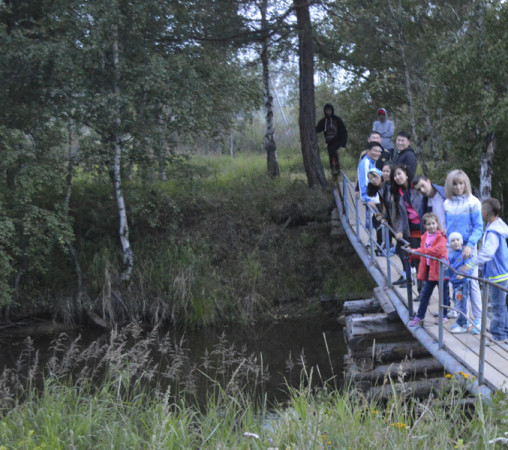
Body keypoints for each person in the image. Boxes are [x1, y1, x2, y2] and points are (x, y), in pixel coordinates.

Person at [462, 198, 508, 344]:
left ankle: (498, 336)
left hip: (497, 275)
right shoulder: (498, 225)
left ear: (486, 212)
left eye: (481, 210)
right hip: (502, 272)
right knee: (501, 305)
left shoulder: (493, 231)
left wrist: (470, 264)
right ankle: (504, 332)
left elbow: (488, 253)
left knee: (497, 307)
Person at [444, 169, 483, 331]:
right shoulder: (447, 203)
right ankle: (462, 320)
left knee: (472, 284)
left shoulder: (473, 202)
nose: (459, 187)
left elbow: (479, 227)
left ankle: (478, 321)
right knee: (457, 286)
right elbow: (447, 228)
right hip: (453, 251)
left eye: (461, 183)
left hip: (469, 250)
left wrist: (469, 245)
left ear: (466, 184)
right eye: (455, 184)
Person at [413, 175, 449, 306]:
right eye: (418, 189)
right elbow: (425, 221)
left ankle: (447, 309)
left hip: (450, 239)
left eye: (423, 186)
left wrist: (449, 229)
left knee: (447, 277)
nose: (422, 190)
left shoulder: (444, 193)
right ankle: (442, 308)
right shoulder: (425, 201)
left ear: (429, 181)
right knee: (436, 275)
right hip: (436, 240)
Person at [408, 213, 448, 327]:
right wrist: (413, 253)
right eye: (429, 224)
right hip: (431, 269)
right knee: (425, 294)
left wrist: (417, 251)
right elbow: (424, 252)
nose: (432, 226)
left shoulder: (442, 237)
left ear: (437, 224)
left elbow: (437, 251)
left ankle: (444, 315)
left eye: (433, 223)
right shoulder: (425, 236)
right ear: (425, 226)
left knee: (443, 294)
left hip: (441, 268)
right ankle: (420, 316)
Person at [387, 164, 423, 287]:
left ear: (406, 173)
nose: (397, 177)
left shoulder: (417, 187)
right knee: (417, 260)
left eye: (399, 174)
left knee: (428, 261)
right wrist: (400, 230)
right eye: (395, 176)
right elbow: (401, 215)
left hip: (426, 228)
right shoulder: (398, 193)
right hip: (411, 230)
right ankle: (420, 290)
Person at [448, 232, 474, 334]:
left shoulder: (464, 253)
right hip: (455, 283)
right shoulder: (452, 254)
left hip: (462, 283)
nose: (455, 242)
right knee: (457, 302)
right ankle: (461, 321)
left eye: (458, 240)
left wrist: (464, 274)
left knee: (461, 303)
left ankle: (463, 325)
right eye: (453, 241)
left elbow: (469, 265)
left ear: (462, 241)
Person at [315, 103, 348, 175]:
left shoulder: (337, 120)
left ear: (332, 110)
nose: (328, 112)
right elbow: (317, 129)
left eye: (329, 110)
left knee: (333, 151)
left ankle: (337, 168)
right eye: (327, 111)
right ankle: (333, 169)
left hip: (337, 140)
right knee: (331, 154)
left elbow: (343, 131)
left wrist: (343, 143)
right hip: (329, 141)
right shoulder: (323, 121)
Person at [366, 168, 384, 254]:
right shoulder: (372, 188)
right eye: (370, 178)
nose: (373, 180)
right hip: (378, 208)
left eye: (375, 177)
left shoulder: (386, 187)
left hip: (384, 208)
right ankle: (381, 247)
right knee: (378, 225)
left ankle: (383, 247)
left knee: (381, 225)